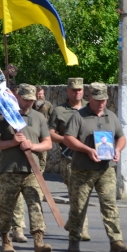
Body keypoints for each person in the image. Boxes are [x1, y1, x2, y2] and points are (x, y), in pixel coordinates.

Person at [63, 82, 127, 252]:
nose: (101, 103)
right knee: (78, 206)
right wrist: (87, 149)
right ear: (89, 98)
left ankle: (116, 241)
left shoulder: (111, 116)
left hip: (105, 169)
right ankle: (74, 239)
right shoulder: (79, 116)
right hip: (82, 169)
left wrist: (117, 149)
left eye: (104, 100)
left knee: (109, 204)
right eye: (98, 100)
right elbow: (68, 139)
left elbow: (121, 138)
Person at [0, 84, 52, 252]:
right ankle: (6, 241)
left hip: (32, 170)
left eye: (32, 100)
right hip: (9, 170)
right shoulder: (4, 118)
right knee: (6, 208)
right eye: (26, 100)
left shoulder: (39, 118)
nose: (29, 103)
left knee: (35, 206)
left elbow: (48, 143)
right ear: (17, 97)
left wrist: (32, 146)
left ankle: (39, 243)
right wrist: (12, 142)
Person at [0, 92, 27, 243]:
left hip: (15, 158)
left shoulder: (17, 109)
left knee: (17, 195)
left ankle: (18, 228)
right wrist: (0, 125)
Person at [49, 77, 90, 241]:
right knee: (75, 194)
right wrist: (66, 140)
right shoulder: (59, 111)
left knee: (83, 194)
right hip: (69, 158)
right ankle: (78, 225)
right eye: (74, 90)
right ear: (67, 91)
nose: (77, 92)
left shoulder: (90, 107)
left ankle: (77, 225)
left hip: (88, 157)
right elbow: (50, 134)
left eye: (80, 89)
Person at [32, 86, 53, 171]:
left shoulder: (48, 104)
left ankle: (41, 172)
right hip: (34, 131)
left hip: (44, 131)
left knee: (43, 155)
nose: (40, 95)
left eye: (41, 94)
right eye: (38, 94)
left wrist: (47, 120)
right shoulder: (32, 104)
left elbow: (52, 117)